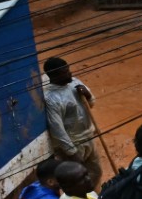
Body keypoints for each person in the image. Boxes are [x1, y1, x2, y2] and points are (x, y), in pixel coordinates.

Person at [42, 56, 101, 189]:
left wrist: (88, 95)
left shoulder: (74, 82)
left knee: (96, 172)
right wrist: (72, 152)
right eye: (65, 72)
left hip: (89, 136)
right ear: (54, 76)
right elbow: (57, 129)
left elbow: (91, 103)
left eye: (68, 70)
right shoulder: (51, 98)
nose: (70, 74)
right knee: (77, 179)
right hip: (73, 143)